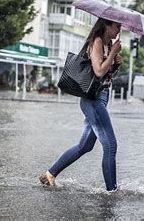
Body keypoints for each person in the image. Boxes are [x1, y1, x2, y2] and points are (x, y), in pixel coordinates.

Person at [39, 18, 123, 192]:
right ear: (106, 26)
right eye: (117, 26)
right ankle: (112, 191)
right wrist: (113, 53)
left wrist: (115, 64)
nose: (119, 30)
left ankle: (50, 174)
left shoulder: (107, 44)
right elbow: (98, 71)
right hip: (93, 100)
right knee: (110, 145)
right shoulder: (97, 42)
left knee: (85, 145)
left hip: (101, 98)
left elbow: (105, 74)